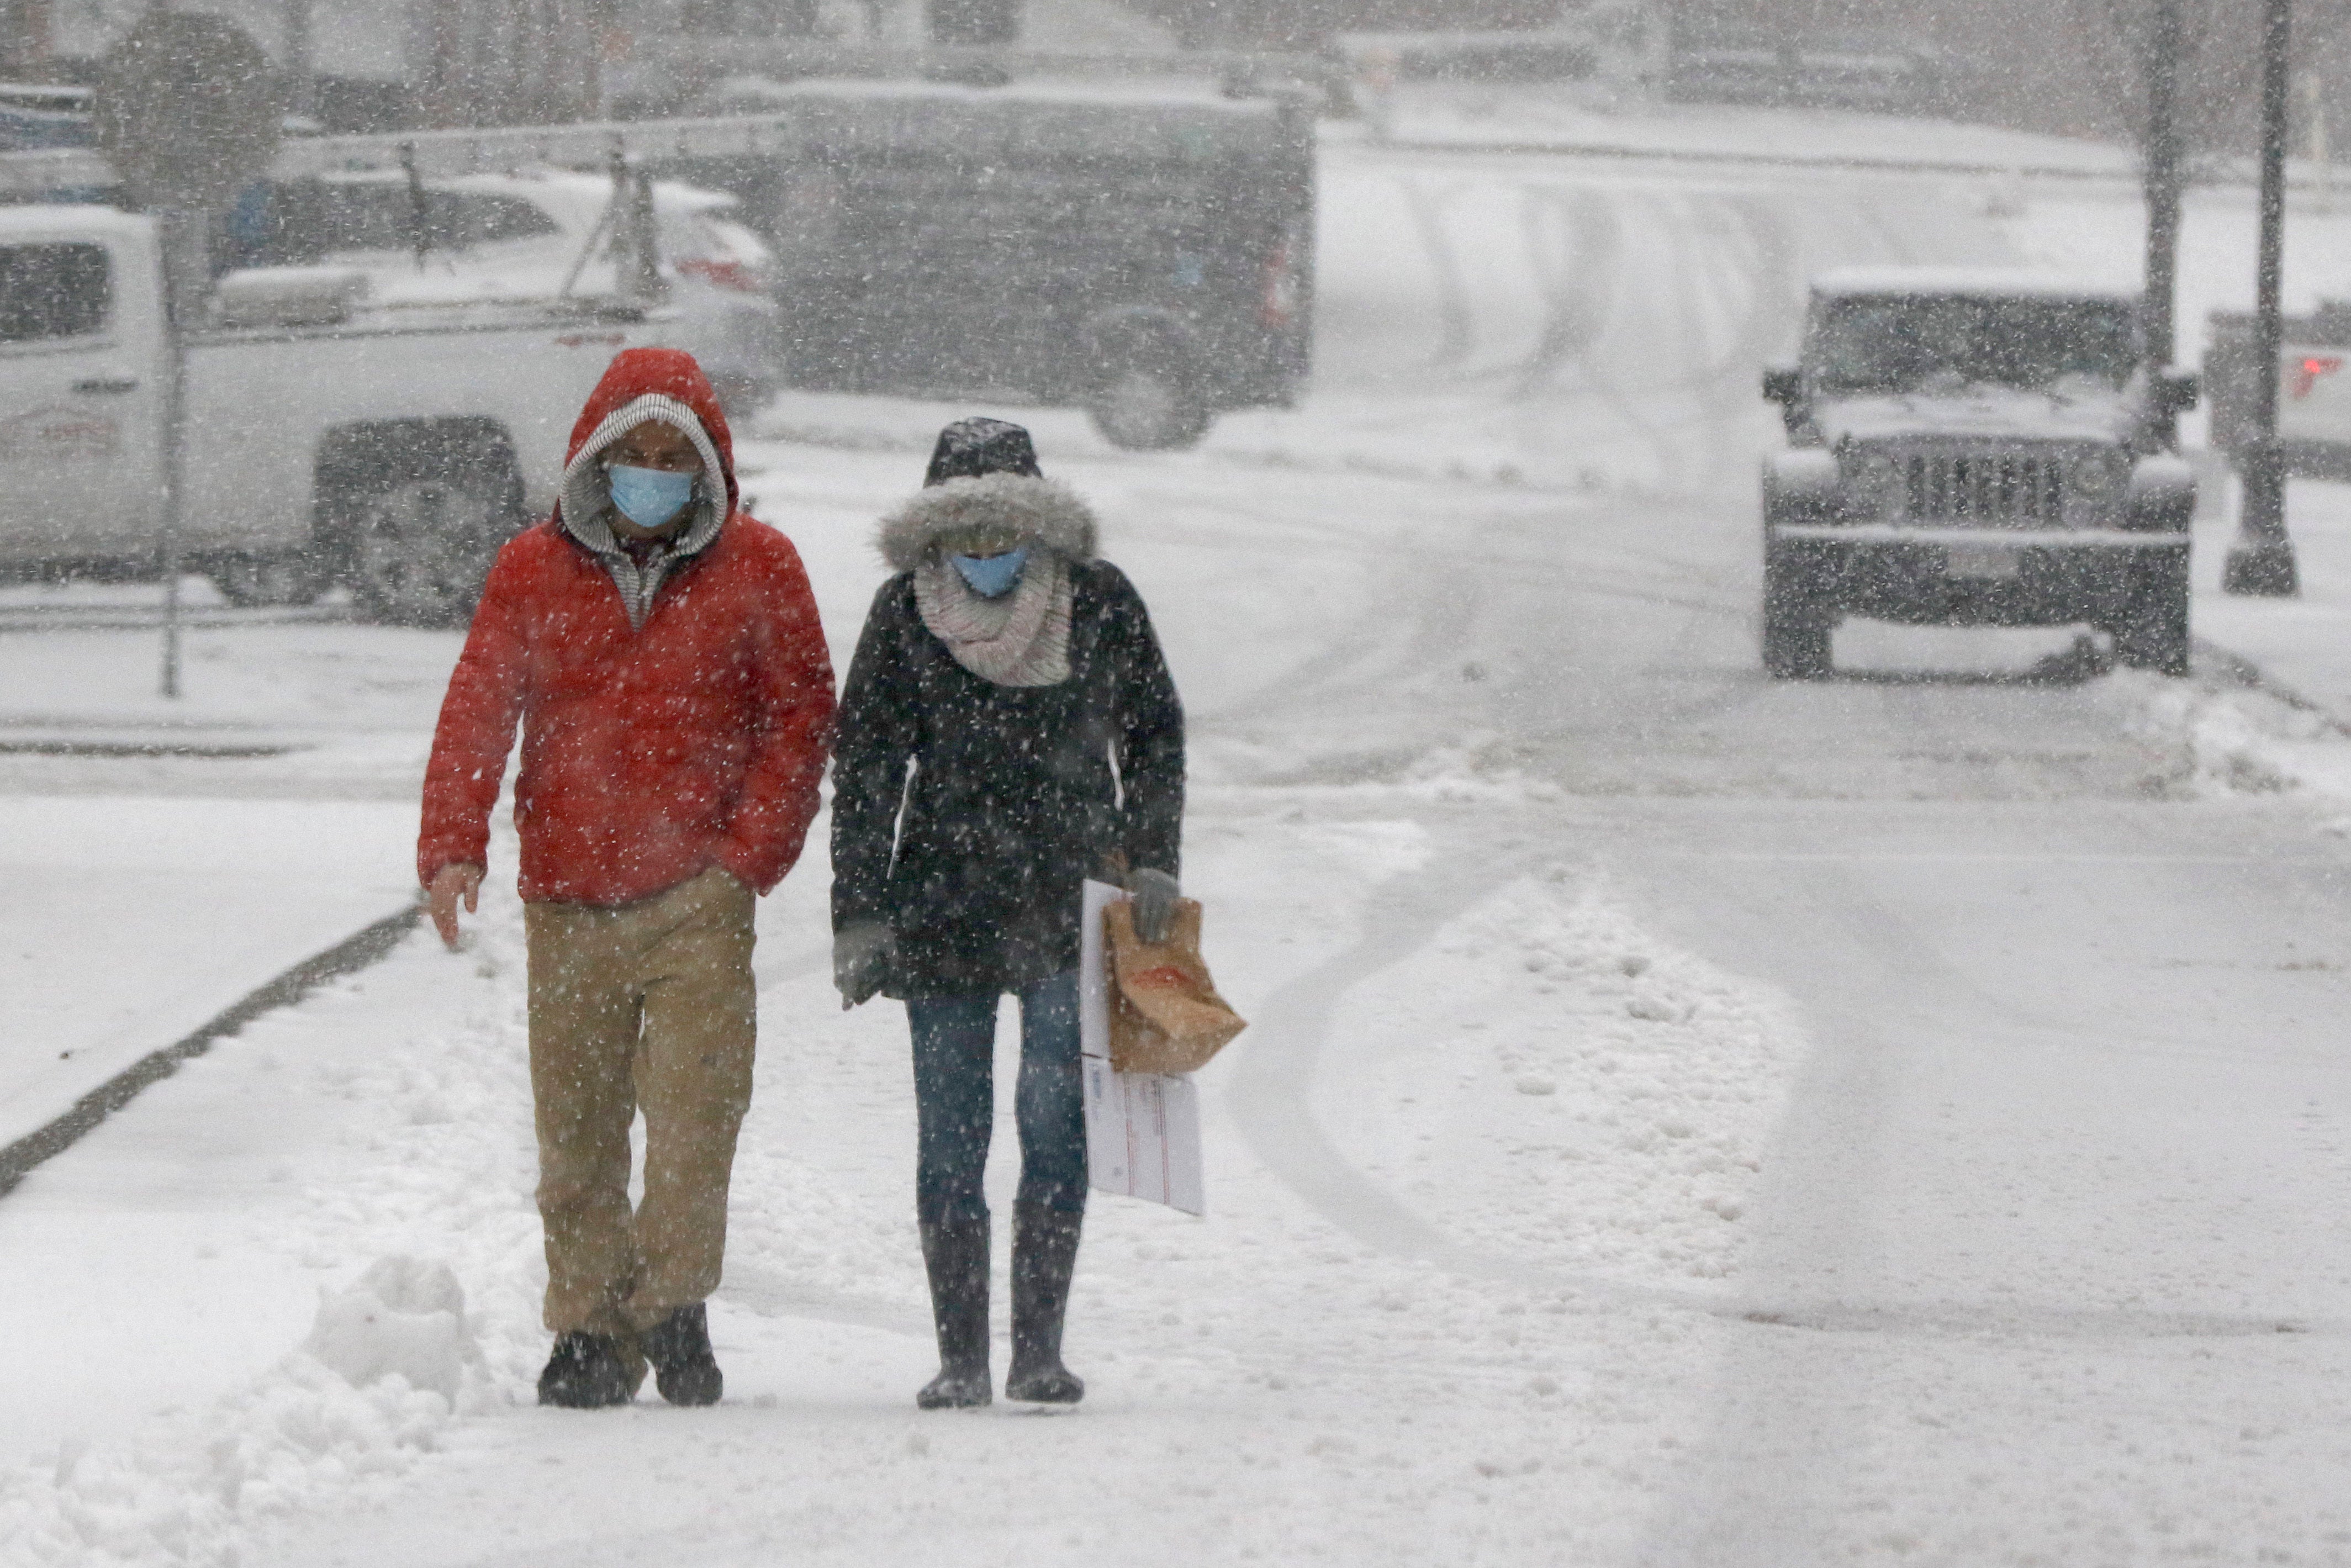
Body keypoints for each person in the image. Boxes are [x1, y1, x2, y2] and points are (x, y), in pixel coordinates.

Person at [418, 349, 835, 1409]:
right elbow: (480, 704)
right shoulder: (529, 568)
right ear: (598, 461)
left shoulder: (761, 568)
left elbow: (800, 714)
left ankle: (674, 1299)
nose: (653, 473)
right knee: (578, 1132)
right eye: (634, 454)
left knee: (697, 1118)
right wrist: (453, 840)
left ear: (706, 469)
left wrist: (747, 855)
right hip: (567, 895)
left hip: (695, 898)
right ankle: (590, 1328)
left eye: (673, 457)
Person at [831, 418, 1185, 1409]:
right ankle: (959, 1360)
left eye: (1006, 529)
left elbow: (1154, 731)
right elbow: (863, 764)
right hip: (940, 901)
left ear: (1043, 524)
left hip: (1073, 900)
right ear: (931, 536)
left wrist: (1155, 860)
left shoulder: (1100, 602)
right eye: (965, 533)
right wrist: (859, 916)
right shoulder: (904, 611)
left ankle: (1038, 1351)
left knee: (1054, 1121)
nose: (986, 552)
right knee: (950, 1134)